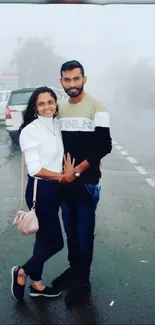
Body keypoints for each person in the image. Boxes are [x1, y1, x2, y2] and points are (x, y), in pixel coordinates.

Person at [51, 60, 112, 305]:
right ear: (61, 82)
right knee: (71, 233)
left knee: (84, 234)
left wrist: (76, 170)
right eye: (67, 80)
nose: (72, 84)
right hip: (63, 183)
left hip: (85, 183)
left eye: (77, 79)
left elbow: (104, 145)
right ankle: (73, 271)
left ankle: (82, 282)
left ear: (84, 79)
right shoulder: (59, 108)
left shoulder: (97, 106)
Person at [11, 86, 74, 301]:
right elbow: (34, 168)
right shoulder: (30, 130)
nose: (47, 107)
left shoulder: (57, 125)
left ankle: (36, 285)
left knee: (43, 237)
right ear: (35, 107)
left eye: (50, 102)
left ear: (56, 103)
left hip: (55, 189)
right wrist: (63, 176)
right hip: (41, 190)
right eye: (41, 103)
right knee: (56, 242)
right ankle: (22, 271)